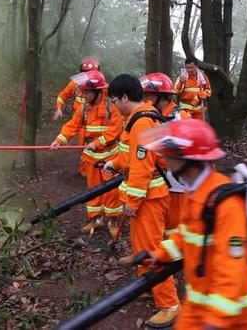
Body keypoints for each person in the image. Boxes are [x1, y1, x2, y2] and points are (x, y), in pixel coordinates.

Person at [142, 119, 247, 329]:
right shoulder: (195, 190)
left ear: (186, 158)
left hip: (234, 310)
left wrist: (216, 319)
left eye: (168, 154)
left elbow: (233, 265)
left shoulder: (226, 203)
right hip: (202, 298)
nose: (164, 159)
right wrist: (160, 254)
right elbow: (186, 233)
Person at [103, 74, 180, 328]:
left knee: (153, 250)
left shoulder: (142, 122)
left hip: (149, 199)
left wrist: (133, 201)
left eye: (114, 100)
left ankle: (169, 304)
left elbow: (142, 167)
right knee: (141, 247)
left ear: (125, 97)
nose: (113, 105)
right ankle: (147, 285)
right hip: (145, 197)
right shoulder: (135, 120)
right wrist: (114, 163)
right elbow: (130, 158)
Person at [50, 70, 123, 235]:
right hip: (90, 158)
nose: (83, 95)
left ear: (98, 91)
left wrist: (97, 143)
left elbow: (115, 130)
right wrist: (59, 140)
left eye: (87, 92)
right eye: (82, 92)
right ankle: (96, 220)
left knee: (111, 192)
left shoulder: (112, 106)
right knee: (92, 190)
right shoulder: (83, 107)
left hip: (110, 158)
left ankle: (113, 221)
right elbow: (72, 125)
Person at [140, 72, 190, 237]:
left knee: (174, 225)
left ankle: (174, 258)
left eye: (148, 95)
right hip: (155, 178)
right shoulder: (149, 117)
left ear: (161, 96)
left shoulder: (180, 117)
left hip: (175, 181)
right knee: (154, 222)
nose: (145, 99)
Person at [175, 57, 211, 121]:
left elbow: (209, 91)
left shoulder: (203, 78)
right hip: (185, 111)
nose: (189, 70)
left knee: (199, 129)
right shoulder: (181, 78)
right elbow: (176, 91)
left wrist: (203, 94)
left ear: (196, 66)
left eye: (191, 67)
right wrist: (181, 83)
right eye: (187, 68)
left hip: (199, 111)